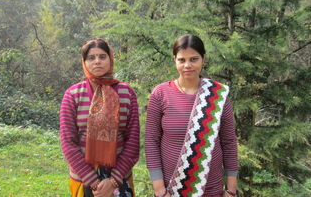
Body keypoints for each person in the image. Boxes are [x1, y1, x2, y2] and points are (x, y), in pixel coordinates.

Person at [145, 34, 238, 197]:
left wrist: (231, 190)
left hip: (212, 189)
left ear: (203, 59)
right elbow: (151, 141)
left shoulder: (217, 95)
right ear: (174, 60)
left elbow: (229, 141)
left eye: (194, 59)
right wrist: (159, 190)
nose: (187, 65)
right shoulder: (160, 94)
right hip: (170, 189)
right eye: (182, 60)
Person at [60, 39, 140, 197]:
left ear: (110, 59)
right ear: (84, 62)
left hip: (120, 179)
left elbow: (132, 142)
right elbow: (68, 143)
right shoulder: (73, 95)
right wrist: (95, 183)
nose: (97, 61)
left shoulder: (126, 93)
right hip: (84, 180)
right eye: (91, 58)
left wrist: (113, 181)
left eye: (102, 57)